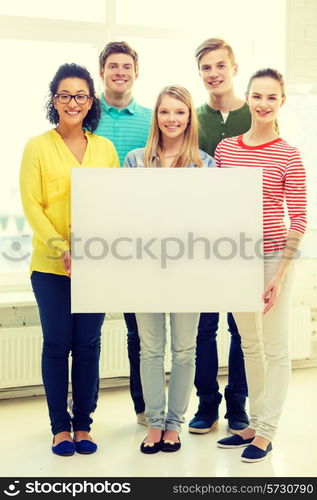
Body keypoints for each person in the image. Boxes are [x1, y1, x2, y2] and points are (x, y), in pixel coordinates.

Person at [20, 63, 119, 456]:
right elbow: (32, 205)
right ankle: (60, 427)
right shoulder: (37, 147)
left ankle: (84, 426)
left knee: (89, 344)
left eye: (80, 95)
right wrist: (62, 248)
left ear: (91, 101)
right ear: (54, 100)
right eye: (65, 95)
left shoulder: (105, 149)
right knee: (57, 344)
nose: (72, 102)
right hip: (50, 267)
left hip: (95, 265)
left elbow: (112, 206)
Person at [216, 68, 307, 462]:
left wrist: (279, 274)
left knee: (275, 349)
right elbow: (215, 210)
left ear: (281, 102)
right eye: (258, 96)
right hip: (236, 259)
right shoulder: (226, 150)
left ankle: (267, 431)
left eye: (272, 97)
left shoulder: (289, 154)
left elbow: (299, 218)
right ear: (248, 98)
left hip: (273, 260)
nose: (264, 104)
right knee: (249, 346)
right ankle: (253, 423)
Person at [124, 85, 215, 454]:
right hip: (144, 268)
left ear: (189, 117)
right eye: (165, 112)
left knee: (184, 350)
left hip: (188, 270)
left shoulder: (204, 164)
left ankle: (174, 425)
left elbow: (210, 221)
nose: (172, 119)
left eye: (180, 112)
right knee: (150, 350)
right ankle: (154, 423)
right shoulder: (135, 160)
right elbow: (125, 215)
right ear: (156, 117)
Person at [188, 38, 251, 435]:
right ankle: (206, 404)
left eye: (220, 66)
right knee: (204, 327)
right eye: (206, 68)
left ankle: (238, 407)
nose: (214, 74)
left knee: (241, 328)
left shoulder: (257, 113)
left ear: (234, 67)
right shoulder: (193, 117)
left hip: (243, 238)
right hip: (200, 240)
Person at [94, 41, 152, 425]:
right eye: (113, 66)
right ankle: (82, 415)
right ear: (102, 72)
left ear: (136, 72)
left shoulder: (151, 119)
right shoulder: (85, 113)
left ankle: (144, 408)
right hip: (93, 233)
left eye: (126, 66)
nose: (120, 72)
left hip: (138, 239)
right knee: (87, 332)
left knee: (138, 331)